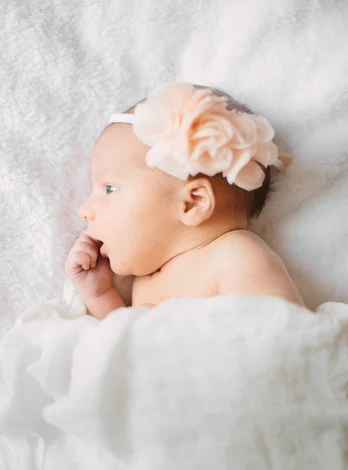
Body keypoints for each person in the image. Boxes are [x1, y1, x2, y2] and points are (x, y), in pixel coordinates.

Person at [65, 82, 305, 320]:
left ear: (194, 202)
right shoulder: (145, 283)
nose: (84, 210)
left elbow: (282, 333)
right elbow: (128, 347)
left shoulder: (236, 255)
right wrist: (100, 294)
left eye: (109, 188)